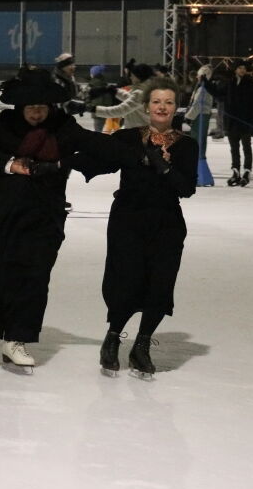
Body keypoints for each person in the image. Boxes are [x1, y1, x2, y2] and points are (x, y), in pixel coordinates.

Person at [0, 69, 129, 373]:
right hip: (1, 208)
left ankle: (17, 338)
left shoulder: (64, 128)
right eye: (30, 106)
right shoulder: (5, 124)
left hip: (45, 212)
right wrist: (6, 163)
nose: (36, 112)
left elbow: (101, 146)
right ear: (20, 105)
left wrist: (68, 162)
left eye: (41, 106)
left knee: (34, 275)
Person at [70, 77, 198, 380]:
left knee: (160, 283)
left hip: (166, 222)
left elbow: (187, 188)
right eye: (157, 101)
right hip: (128, 219)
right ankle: (113, 338)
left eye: (168, 102)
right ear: (146, 106)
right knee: (125, 280)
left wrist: (165, 167)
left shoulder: (187, 145)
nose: (162, 107)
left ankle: (142, 345)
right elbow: (97, 161)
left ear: (176, 107)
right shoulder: (127, 138)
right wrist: (58, 157)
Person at [84, 65, 118, 133]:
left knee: (98, 131)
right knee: (107, 129)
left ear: (93, 74)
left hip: (97, 111)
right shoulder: (105, 84)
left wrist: (89, 107)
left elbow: (86, 97)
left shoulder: (91, 85)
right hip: (107, 111)